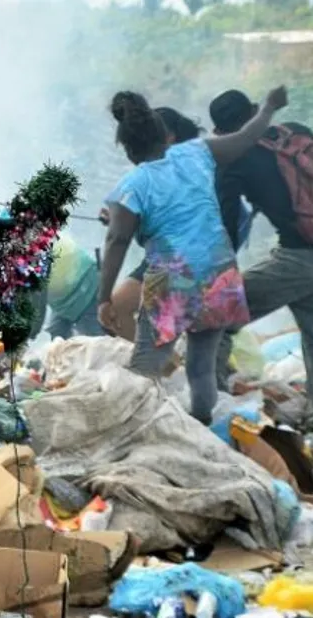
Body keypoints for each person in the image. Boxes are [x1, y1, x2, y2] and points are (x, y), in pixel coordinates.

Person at [97, 87, 287, 424]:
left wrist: (103, 299)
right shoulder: (197, 153)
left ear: (128, 149)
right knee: (201, 367)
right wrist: (269, 108)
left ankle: (137, 430)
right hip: (220, 274)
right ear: (162, 135)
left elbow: (117, 240)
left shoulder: (132, 185)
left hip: (174, 280)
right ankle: (201, 425)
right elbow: (245, 137)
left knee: (145, 367)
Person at [102, 106, 253, 343]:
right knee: (121, 309)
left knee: (132, 311)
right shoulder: (172, 165)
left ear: (167, 135)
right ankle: (170, 370)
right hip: (175, 258)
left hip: (185, 259)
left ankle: (172, 369)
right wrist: (123, 220)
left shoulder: (192, 165)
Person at [210, 89, 313, 389]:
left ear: (219, 132)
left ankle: (212, 409)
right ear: (256, 109)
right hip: (301, 257)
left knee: (216, 318)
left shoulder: (233, 162)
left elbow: (226, 232)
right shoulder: (296, 131)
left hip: (298, 256)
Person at [32, 234, 105, 340]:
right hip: (62, 299)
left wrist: (33, 331)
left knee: (94, 344)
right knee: (56, 339)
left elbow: (37, 300)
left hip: (86, 291)